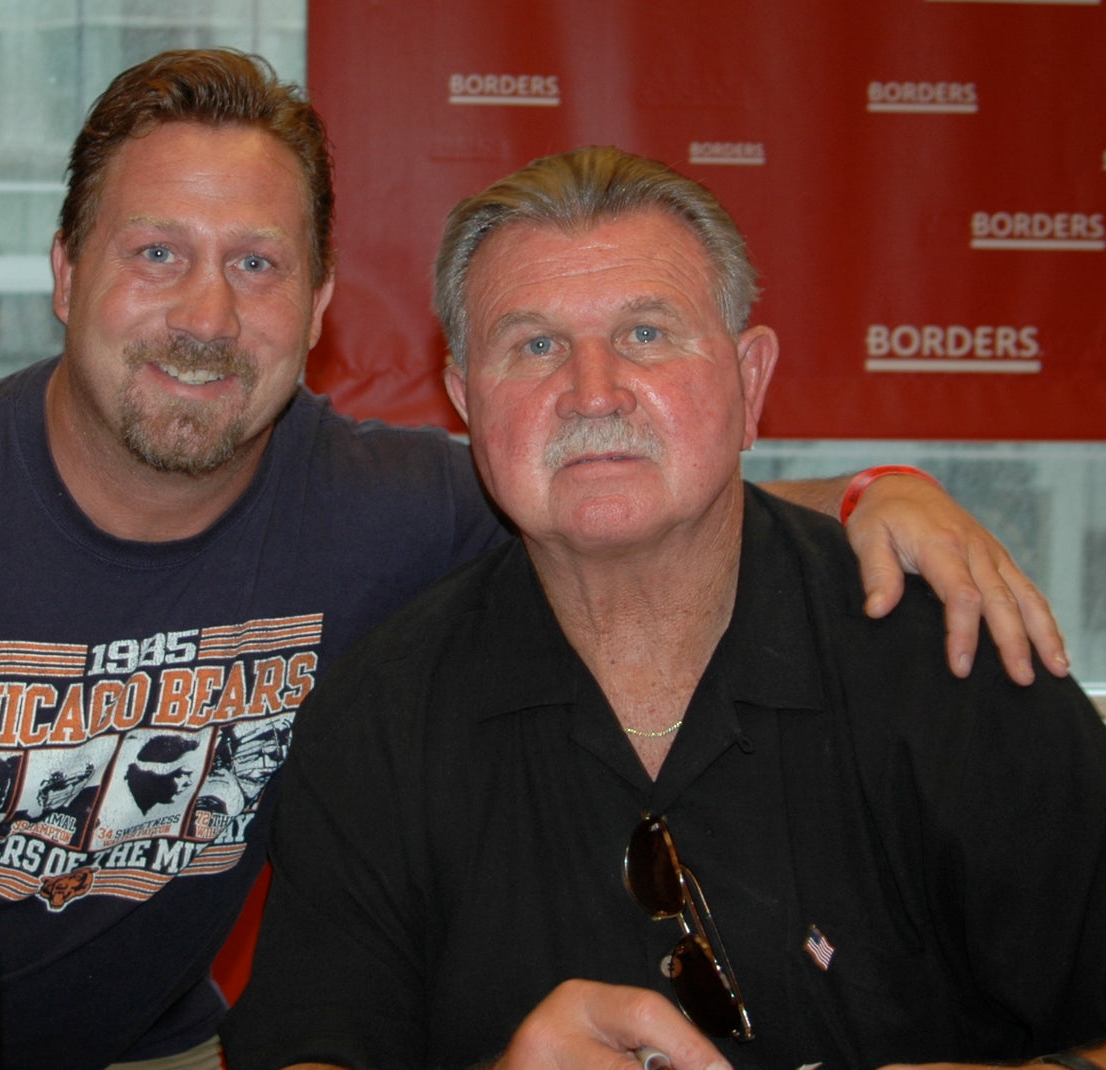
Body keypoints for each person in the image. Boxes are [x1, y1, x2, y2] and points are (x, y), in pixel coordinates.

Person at [0, 50, 1070, 1070]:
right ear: (65, 274)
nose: (206, 313)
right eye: (157, 253)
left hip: (152, 1040)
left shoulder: (391, 508)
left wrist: (891, 487)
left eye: (259, 265)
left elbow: (623, 469)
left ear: (323, 306)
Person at [220, 148, 1106, 1070]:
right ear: (464, 404)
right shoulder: (379, 716)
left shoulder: (953, 657)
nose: (592, 391)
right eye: (533, 346)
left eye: (646, 333)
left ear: (749, 381)